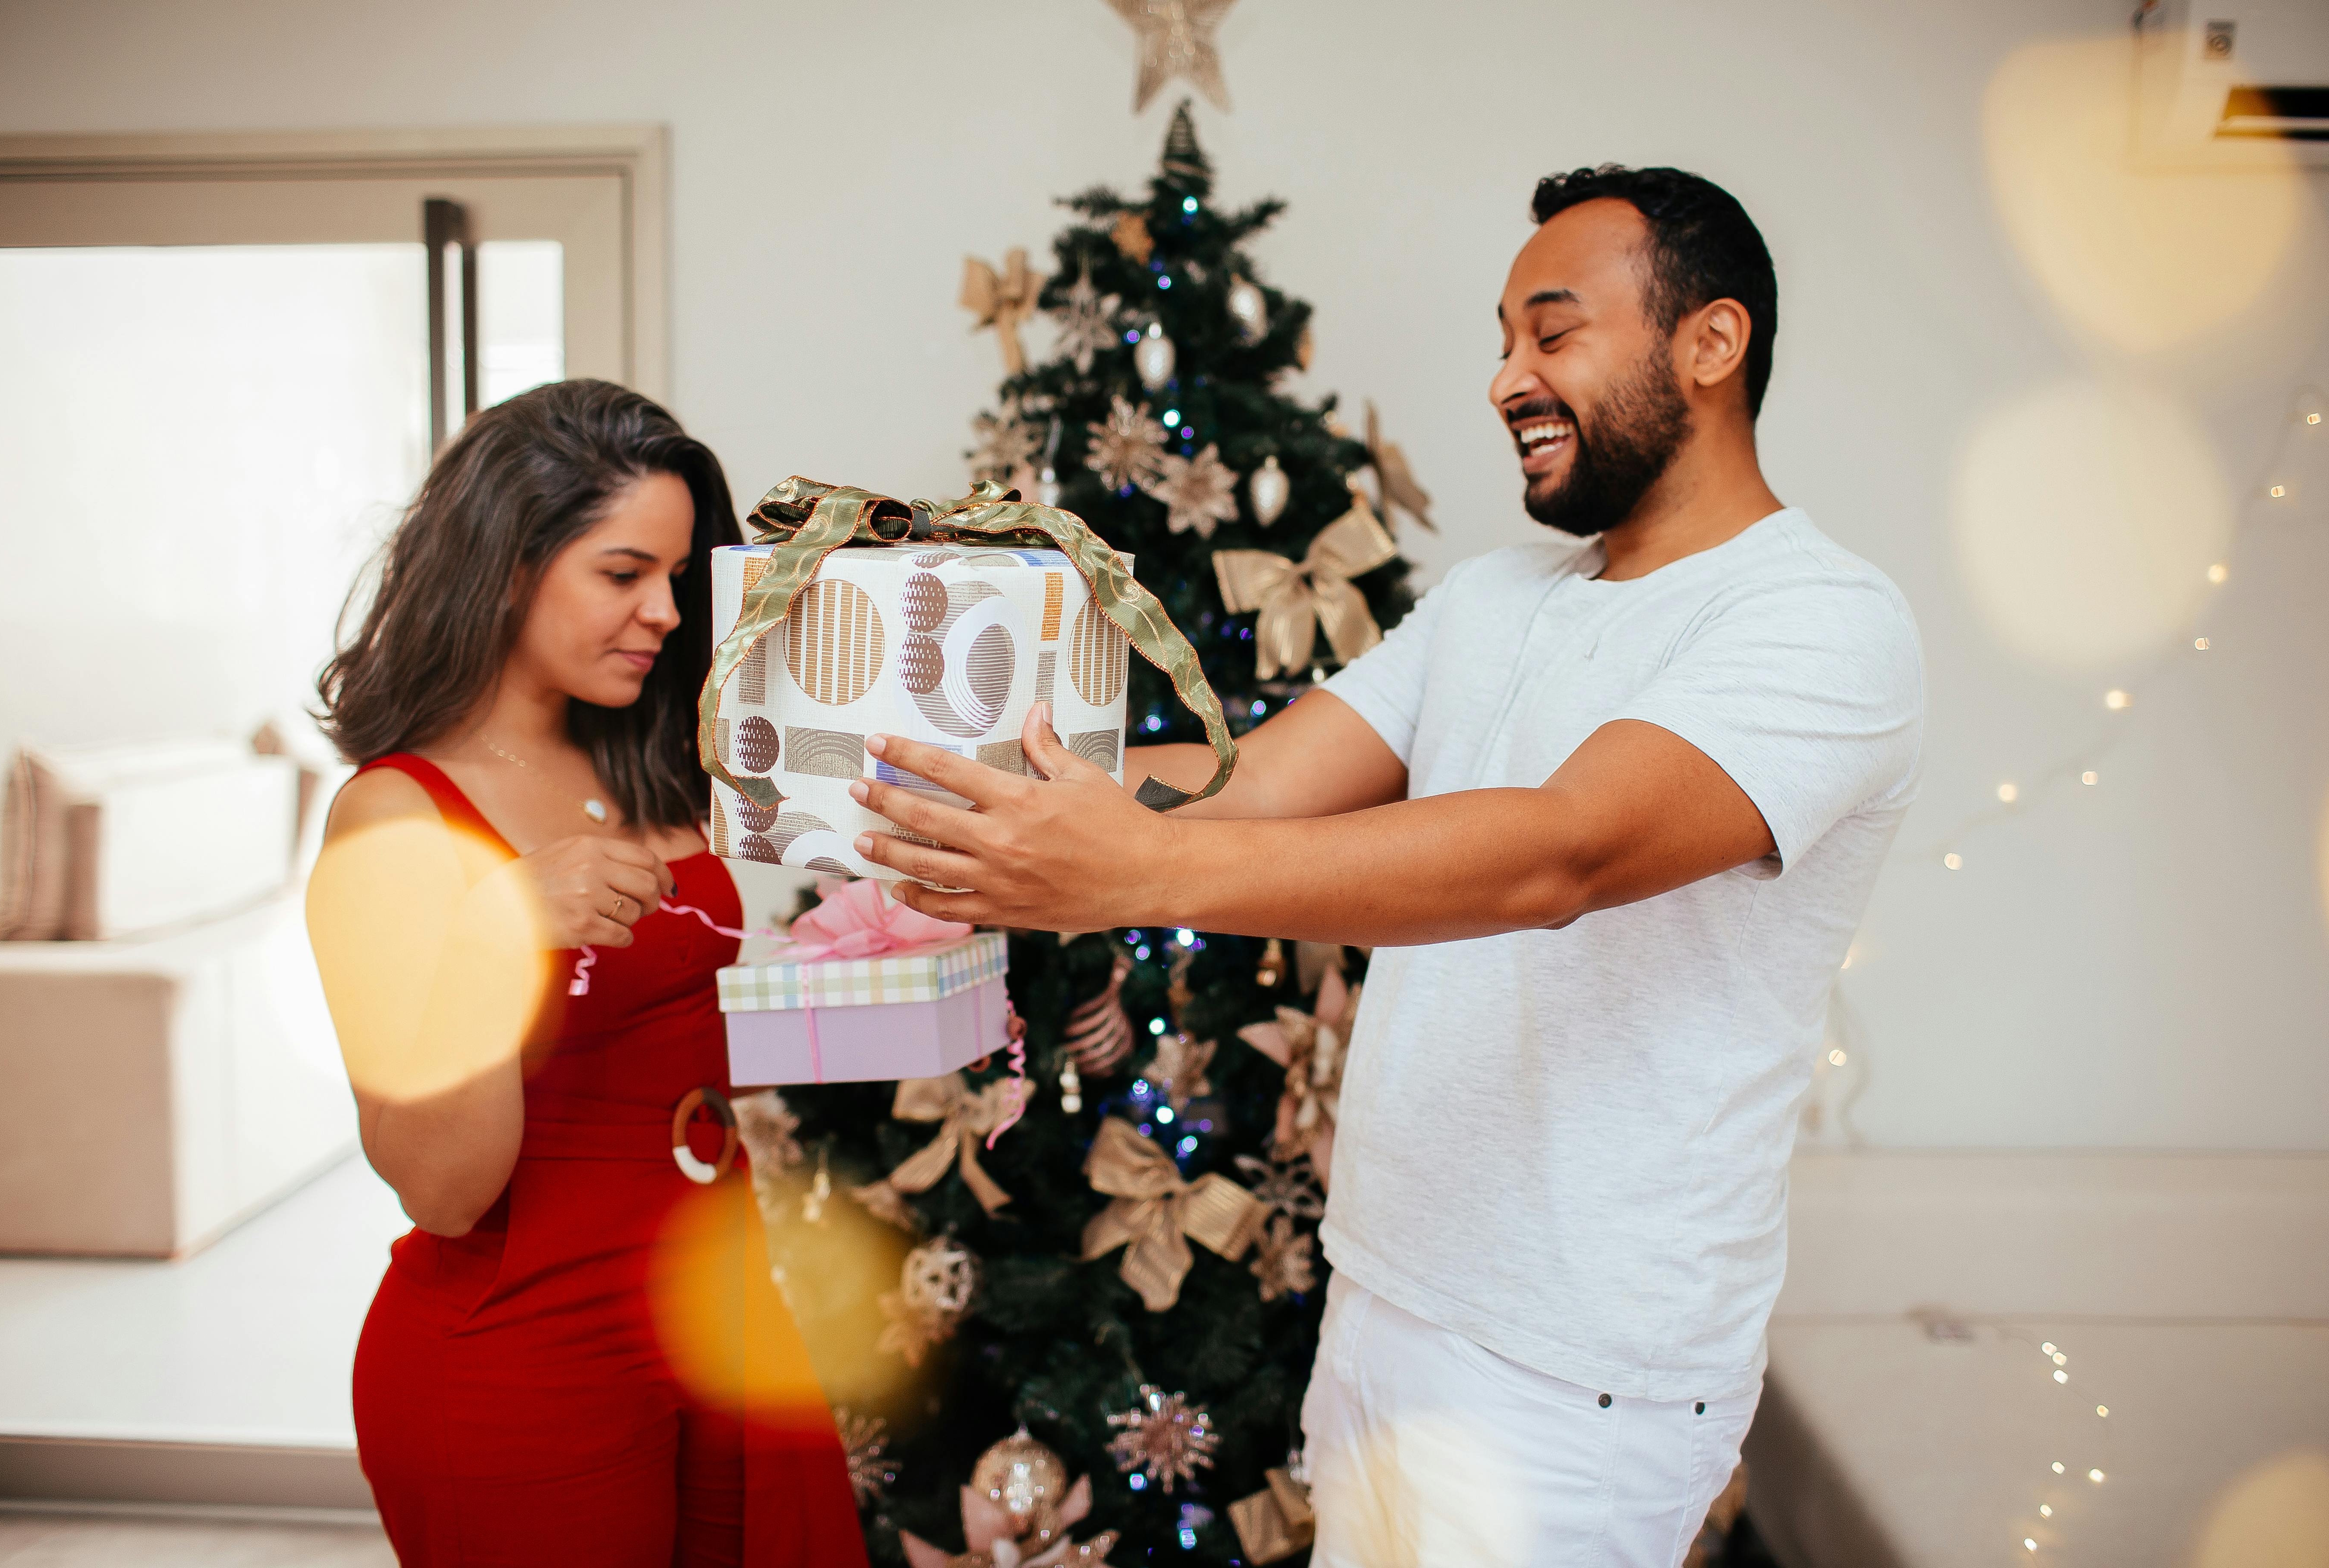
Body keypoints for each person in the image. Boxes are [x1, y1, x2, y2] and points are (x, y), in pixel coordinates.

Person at [847, 167, 1925, 1564]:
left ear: (1710, 344)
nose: (1505, 379)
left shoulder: (1823, 622)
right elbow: (1261, 785)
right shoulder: (1493, 600)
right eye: (1502, 340)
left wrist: (1132, 876)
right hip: (1384, 1308)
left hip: (1575, 1371)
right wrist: (956, 783)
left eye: (1553, 334)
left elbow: (1562, 851)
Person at [306, 380, 865, 1567]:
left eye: (677, 578)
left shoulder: (655, 757)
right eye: (624, 575)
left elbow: (668, 1042)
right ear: (510, 565)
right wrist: (493, 929)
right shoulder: (394, 817)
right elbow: (446, 1191)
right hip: (526, 1356)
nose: (665, 612)